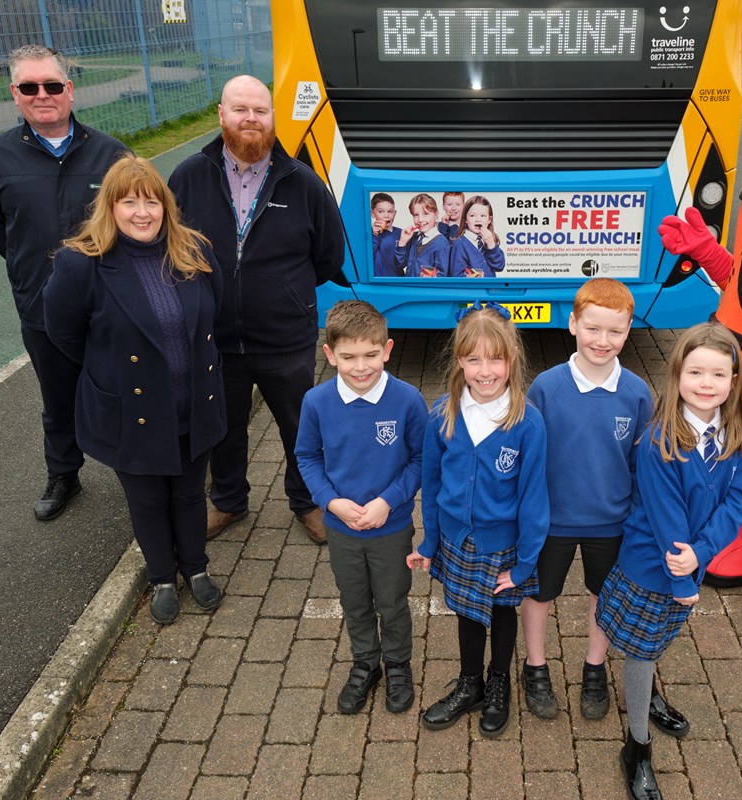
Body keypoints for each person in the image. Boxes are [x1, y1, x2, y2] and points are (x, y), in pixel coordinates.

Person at [43, 155, 227, 626]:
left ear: (166, 206)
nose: (141, 212)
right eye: (128, 202)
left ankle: (196, 569)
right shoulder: (81, 263)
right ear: (110, 207)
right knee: (146, 500)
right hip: (133, 412)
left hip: (193, 404)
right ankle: (162, 576)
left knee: (189, 495)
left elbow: (214, 312)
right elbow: (63, 333)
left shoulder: (194, 250)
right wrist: (113, 375)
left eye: (151, 201)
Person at [168, 75, 345, 544]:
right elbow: (171, 246)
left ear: (272, 118)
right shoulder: (188, 176)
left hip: (285, 336)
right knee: (223, 426)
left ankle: (307, 501)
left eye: (260, 111)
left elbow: (328, 255)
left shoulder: (304, 183)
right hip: (214, 334)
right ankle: (228, 500)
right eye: (240, 109)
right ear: (221, 115)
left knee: (299, 426)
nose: (251, 119)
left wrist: (283, 294)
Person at [595, 321, 742, 800]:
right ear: (677, 375)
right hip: (653, 565)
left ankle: (650, 698)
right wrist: (683, 578)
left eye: (718, 375)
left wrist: (701, 556)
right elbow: (668, 520)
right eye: (696, 373)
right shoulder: (658, 440)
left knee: (660, 637)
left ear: (733, 382)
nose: (706, 384)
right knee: (642, 651)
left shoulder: (739, 434)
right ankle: (637, 748)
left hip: (690, 564)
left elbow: (736, 503)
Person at [0, 44, 128, 521]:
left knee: (122, 391)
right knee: (57, 398)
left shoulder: (112, 154)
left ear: (70, 90)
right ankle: (64, 474)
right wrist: (33, 270)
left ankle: (137, 473)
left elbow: (133, 225)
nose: (43, 95)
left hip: (108, 307)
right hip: (39, 307)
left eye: (53, 85)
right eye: (30, 87)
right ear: (14, 95)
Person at [407, 302, 549, 738]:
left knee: (503, 611)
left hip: (504, 544)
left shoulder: (528, 423)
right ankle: (470, 683)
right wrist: (429, 541)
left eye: (496, 359)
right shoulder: (441, 414)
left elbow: (533, 499)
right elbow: (430, 485)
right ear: (459, 362)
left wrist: (525, 563)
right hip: (456, 540)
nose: (485, 371)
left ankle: (499, 681)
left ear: (512, 360)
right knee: (468, 612)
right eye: (473, 360)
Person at [519, 278, 652, 723]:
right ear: (572, 323)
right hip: (551, 521)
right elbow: (528, 455)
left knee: (603, 595)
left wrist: (637, 516)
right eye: (593, 328)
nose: (603, 340)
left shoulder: (636, 393)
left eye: (615, 331)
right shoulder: (545, 387)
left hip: (611, 523)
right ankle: (534, 666)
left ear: (629, 329)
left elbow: (641, 463)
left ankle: (595, 666)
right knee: (539, 595)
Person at [295, 301, 427, 714]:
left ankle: (398, 664)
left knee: (392, 600)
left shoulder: (407, 400)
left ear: (387, 349)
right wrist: (331, 501)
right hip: (342, 528)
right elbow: (307, 457)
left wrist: (388, 501)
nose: (361, 367)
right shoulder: (316, 403)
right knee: (354, 601)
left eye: (371, 355)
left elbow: (421, 459)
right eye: (348, 357)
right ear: (329, 354)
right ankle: (366, 663)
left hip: (391, 527)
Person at [394, 193, 451, 278]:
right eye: (416, 215)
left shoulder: (442, 243)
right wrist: (402, 242)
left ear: (436, 214)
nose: (420, 219)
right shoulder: (414, 237)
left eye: (426, 214)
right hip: (409, 288)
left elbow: (441, 275)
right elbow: (400, 265)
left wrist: (431, 277)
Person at [448, 196, 505, 278]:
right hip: (471, 290)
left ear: (489, 220)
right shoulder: (460, 243)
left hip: (489, 289)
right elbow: (457, 275)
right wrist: (476, 275)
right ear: (466, 220)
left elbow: (499, 266)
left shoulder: (491, 239)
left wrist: (491, 246)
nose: (478, 220)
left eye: (483, 216)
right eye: (472, 216)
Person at [370, 193, 403, 277]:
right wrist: (374, 235)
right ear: (373, 213)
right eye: (381, 211)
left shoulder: (402, 234)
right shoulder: (368, 235)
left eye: (390, 212)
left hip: (398, 282)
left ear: (394, 214)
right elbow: (366, 259)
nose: (386, 216)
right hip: (377, 283)